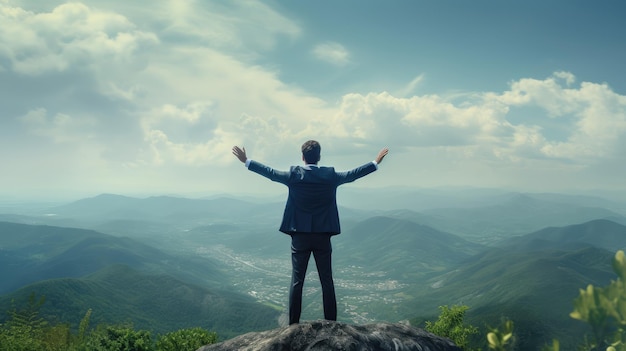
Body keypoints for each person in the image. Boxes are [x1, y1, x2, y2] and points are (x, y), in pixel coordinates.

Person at [232, 140, 389, 325]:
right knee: (327, 280)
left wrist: (247, 161)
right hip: (323, 235)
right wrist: (375, 163)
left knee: (297, 281)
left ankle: (293, 325)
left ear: (303, 157)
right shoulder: (329, 176)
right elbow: (352, 175)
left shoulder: (294, 175)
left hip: (299, 236)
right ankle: (331, 323)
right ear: (319, 157)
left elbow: (271, 174)